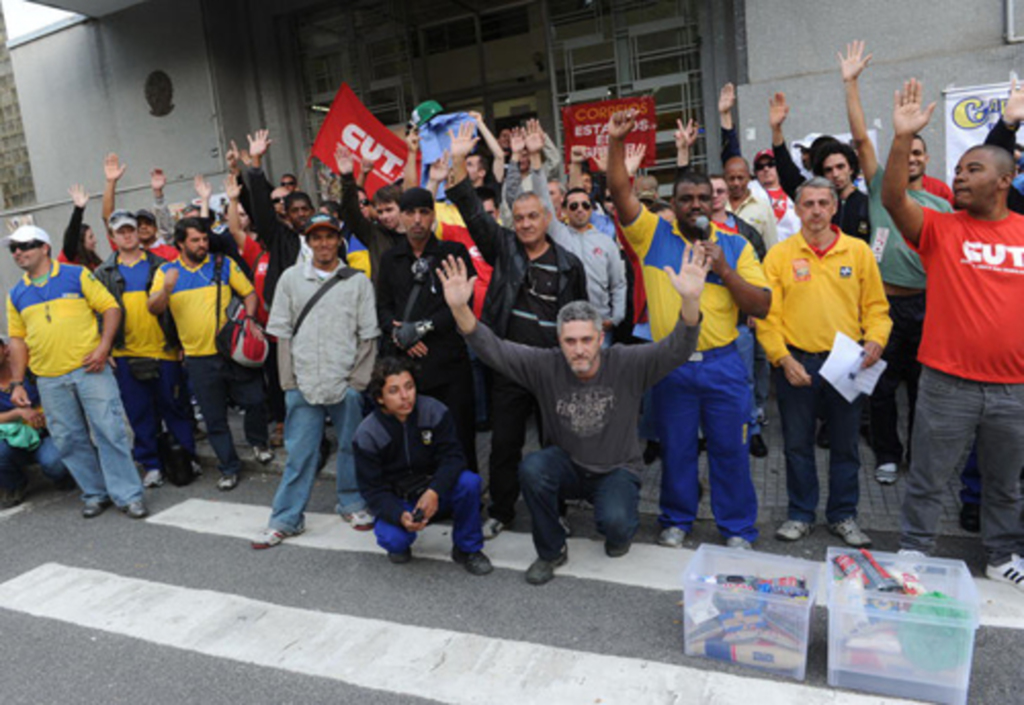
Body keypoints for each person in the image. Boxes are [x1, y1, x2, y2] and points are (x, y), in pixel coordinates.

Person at [439, 239, 705, 583]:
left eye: (586, 340)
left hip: (616, 470)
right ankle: (551, 551)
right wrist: (461, 309)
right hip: (567, 465)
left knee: (617, 527)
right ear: (559, 342)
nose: (579, 350)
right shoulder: (544, 365)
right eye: (570, 341)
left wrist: (690, 300)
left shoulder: (627, 362)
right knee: (533, 468)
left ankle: (618, 527)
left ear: (599, 338)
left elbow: (678, 348)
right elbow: (494, 349)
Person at [882, 78, 1024, 590]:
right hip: (947, 384)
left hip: (1014, 389)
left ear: (1005, 180)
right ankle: (914, 550)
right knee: (927, 479)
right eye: (959, 170)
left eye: (973, 169)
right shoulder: (941, 229)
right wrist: (902, 139)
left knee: (1005, 485)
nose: (960, 178)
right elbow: (893, 196)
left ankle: (1002, 554)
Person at [610, 109, 770, 552]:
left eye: (703, 197)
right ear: (674, 203)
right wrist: (616, 144)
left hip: (723, 365)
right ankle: (676, 519)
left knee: (729, 451)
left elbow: (762, 304)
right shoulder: (652, 236)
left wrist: (725, 270)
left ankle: (736, 527)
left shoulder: (736, 244)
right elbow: (620, 191)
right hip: (671, 364)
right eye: (686, 198)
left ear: (713, 202)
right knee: (677, 449)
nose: (696, 204)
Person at [446, 120, 588, 540]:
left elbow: (577, 319)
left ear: (547, 217)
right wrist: (457, 159)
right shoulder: (503, 246)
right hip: (508, 364)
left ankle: (556, 510)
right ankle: (502, 510)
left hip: (551, 369)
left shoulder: (569, 264)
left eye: (532, 217)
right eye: (519, 218)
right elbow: (470, 208)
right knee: (505, 445)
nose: (525, 224)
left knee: (554, 447)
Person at [839, 41, 951, 486]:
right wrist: (851, 84)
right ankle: (887, 454)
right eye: (910, 152)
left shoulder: (941, 207)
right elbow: (862, 138)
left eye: (921, 154)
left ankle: (922, 461)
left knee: (925, 393)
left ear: (926, 161)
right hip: (884, 308)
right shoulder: (885, 187)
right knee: (880, 388)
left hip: (928, 310)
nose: (915, 159)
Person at [757, 176, 890, 547]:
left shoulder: (858, 252)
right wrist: (782, 359)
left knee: (846, 447)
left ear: (834, 208)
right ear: (797, 209)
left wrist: (876, 341)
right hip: (797, 364)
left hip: (847, 365)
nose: (816, 210)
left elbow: (878, 308)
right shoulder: (780, 255)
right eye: (808, 204)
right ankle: (800, 514)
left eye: (823, 203)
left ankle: (843, 515)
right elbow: (769, 317)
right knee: (797, 445)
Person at [253, 214, 379, 547]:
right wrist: (288, 382)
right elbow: (280, 333)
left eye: (329, 236)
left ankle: (351, 502)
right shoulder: (291, 279)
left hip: (345, 380)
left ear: (339, 240)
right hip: (302, 381)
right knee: (300, 454)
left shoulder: (358, 282)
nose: (323, 243)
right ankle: (286, 518)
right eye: (316, 237)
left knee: (353, 446)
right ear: (307, 243)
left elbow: (368, 337)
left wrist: (358, 383)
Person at [5, 225, 147, 519]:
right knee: (69, 439)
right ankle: (95, 493)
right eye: (13, 249)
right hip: (49, 378)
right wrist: (18, 383)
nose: (18, 253)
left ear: (44, 247)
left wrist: (103, 347)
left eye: (25, 246)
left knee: (110, 431)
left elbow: (110, 308)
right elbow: (17, 341)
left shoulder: (76, 274)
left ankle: (128, 495)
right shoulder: (16, 293)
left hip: (89, 369)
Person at [147, 217, 272, 489]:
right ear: (181, 243)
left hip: (232, 351)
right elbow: (153, 308)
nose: (202, 244)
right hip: (198, 358)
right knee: (215, 418)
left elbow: (250, 294)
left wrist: (248, 320)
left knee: (254, 400)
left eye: (204, 239)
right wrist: (166, 288)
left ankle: (258, 442)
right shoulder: (166, 272)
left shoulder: (222, 263)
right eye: (195, 240)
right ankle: (229, 467)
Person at [353, 357, 493, 575]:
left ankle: (468, 549)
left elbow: (454, 457)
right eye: (394, 391)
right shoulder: (367, 434)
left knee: (469, 482)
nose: (405, 396)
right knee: (393, 540)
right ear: (380, 398)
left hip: (434, 488)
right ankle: (403, 534)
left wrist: (434, 491)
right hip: (400, 499)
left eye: (409, 387)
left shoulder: (434, 411)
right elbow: (372, 490)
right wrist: (399, 514)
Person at [375, 186, 479, 472]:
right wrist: (399, 335)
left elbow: (462, 302)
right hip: (407, 367)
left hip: (449, 363)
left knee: (458, 433)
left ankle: (464, 494)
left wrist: (421, 328)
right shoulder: (390, 258)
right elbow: (383, 307)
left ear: (434, 215)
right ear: (401, 217)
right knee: (415, 437)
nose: (417, 219)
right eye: (410, 212)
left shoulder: (452, 252)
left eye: (424, 212)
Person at [94, 209, 196, 489]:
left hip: (164, 349)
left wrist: (179, 343)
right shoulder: (102, 273)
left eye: (131, 230)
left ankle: (186, 457)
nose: (127, 235)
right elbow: (98, 314)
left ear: (139, 233)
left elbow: (177, 309)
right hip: (126, 354)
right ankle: (151, 464)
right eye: (120, 232)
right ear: (113, 237)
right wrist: (107, 348)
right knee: (139, 412)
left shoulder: (161, 265)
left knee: (174, 407)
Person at [505, 121, 626, 346]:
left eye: (585, 205)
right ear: (562, 210)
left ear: (591, 208)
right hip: (567, 326)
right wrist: (535, 159)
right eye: (573, 206)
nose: (580, 209)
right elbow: (541, 197)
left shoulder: (604, 239)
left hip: (601, 325)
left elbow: (618, 284)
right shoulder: (557, 233)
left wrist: (615, 318)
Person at [0, 338, 73, 509]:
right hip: (12, 440)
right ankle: (14, 485)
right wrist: (18, 413)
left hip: (46, 432)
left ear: (5, 349)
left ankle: (63, 475)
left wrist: (44, 414)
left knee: (55, 465)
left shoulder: (29, 370)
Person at [59, 184, 102, 270]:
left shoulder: (92, 260)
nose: (95, 240)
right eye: (90, 237)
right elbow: (72, 233)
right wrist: (78, 210)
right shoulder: (70, 256)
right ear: (80, 241)